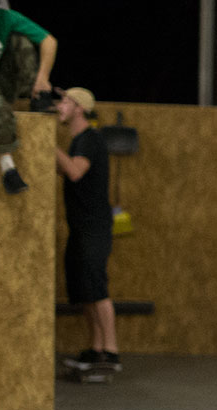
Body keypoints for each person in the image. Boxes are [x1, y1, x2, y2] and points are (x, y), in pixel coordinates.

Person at [0, 0, 57, 193]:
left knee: (20, 40)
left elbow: (49, 41)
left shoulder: (4, 18)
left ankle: (37, 94)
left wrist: (43, 78)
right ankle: (8, 167)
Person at [56, 88, 118, 373]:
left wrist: (45, 140)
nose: (60, 106)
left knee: (97, 286)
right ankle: (96, 348)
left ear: (79, 108)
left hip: (94, 227)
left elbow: (75, 171)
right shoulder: (77, 141)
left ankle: (111, 351)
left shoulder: (90, 139)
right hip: (80, 227)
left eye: (65, 101)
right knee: (84, 290)